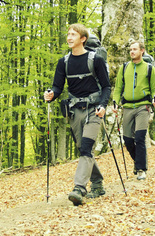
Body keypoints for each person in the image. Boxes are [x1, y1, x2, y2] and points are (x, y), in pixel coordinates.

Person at [44, 23, 111, 206]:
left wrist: (103, 105)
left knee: (86, 147)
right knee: (84, 150)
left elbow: (106, 86)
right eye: (68, 34)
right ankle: (97, 184)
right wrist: (51, 94)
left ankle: (79, 188)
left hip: (94, 110)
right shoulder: (63, 62)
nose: (69, 37)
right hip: (74, 111)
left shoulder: (95, 60)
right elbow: (57, 86)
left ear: (83, 39)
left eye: (73, 34)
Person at [112, 40, 155, 180]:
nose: (132, 52)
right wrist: (115, 102)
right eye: (130, 49)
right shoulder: (125, 67)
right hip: (127, 107)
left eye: (135, 49)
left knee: (139, 137)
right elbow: (118, 88)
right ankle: (137, 162)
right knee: (127, 140)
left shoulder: (149, 68)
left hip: (143, 106)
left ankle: (141, 169)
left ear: (142, 51)